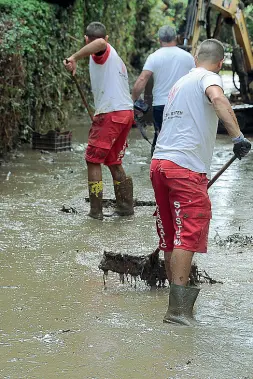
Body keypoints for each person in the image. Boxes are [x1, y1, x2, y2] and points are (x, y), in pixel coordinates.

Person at [150, 39, 251, 326]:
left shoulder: (180, 83)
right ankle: (178, 312)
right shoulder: (210, 78)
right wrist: (238, 137)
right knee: (188, 233)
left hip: (160, 165)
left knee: (172, 234)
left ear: (196, 58)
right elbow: (218, 99)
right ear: (220, 63)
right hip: (185, 169)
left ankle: (176, 299)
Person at [64, 22, 134, 220]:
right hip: (124, 113)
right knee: (113, 161)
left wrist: (74, 57)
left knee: (92, 160)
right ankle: (125, 207)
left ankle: (95, 212)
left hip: (111, 114)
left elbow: (99, 42)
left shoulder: (102, 51)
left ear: (86, 39)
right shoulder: (114, 56)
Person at [132, 25, 195, 154]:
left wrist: (131, 100)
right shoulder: (188, 57)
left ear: (159, 40)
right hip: (183, 105)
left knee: (160, 137)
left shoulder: (154, 57)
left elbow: (143, 79)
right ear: (176, 38)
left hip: (160, 105)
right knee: (181, 138)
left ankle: (157, 167)